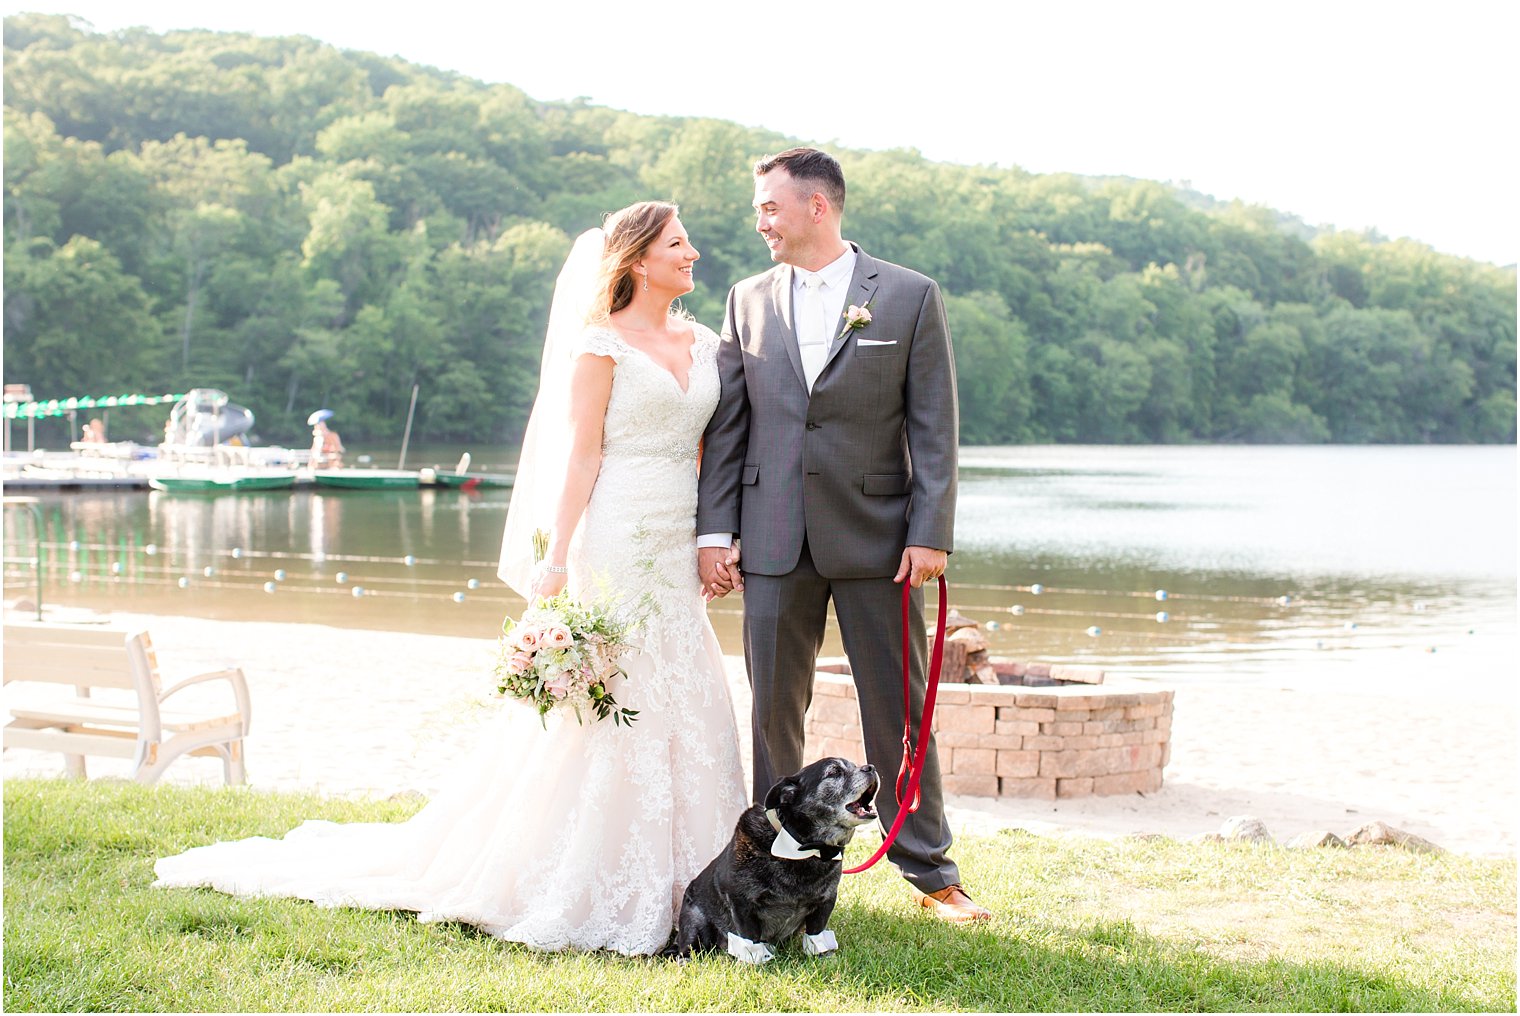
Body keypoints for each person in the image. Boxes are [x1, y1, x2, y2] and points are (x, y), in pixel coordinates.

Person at [154, 202, 749, 956]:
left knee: (686, 685)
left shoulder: (703, 342)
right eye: (676, 242)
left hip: (677, 538)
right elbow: (580, 458)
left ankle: (702, 881)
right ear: (635, 259)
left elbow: (713, 449)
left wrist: (713, 535)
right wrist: (555, 556)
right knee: (615, 691)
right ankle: (593, 876)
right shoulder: (598, 347)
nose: (691, 252)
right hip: (617, 533)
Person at [696, 148, 990, 924]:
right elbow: (732, 426)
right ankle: (771, 866)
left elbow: (934, 429)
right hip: (771, 538)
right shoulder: (746, 298)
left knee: (898, 709)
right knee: (771, 712)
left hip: (880, 540)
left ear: (817, 207)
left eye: (769, 206)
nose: (759, 220)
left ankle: (930, 872)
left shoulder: (907, 296)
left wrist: (931, 531)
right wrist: (716, 530)